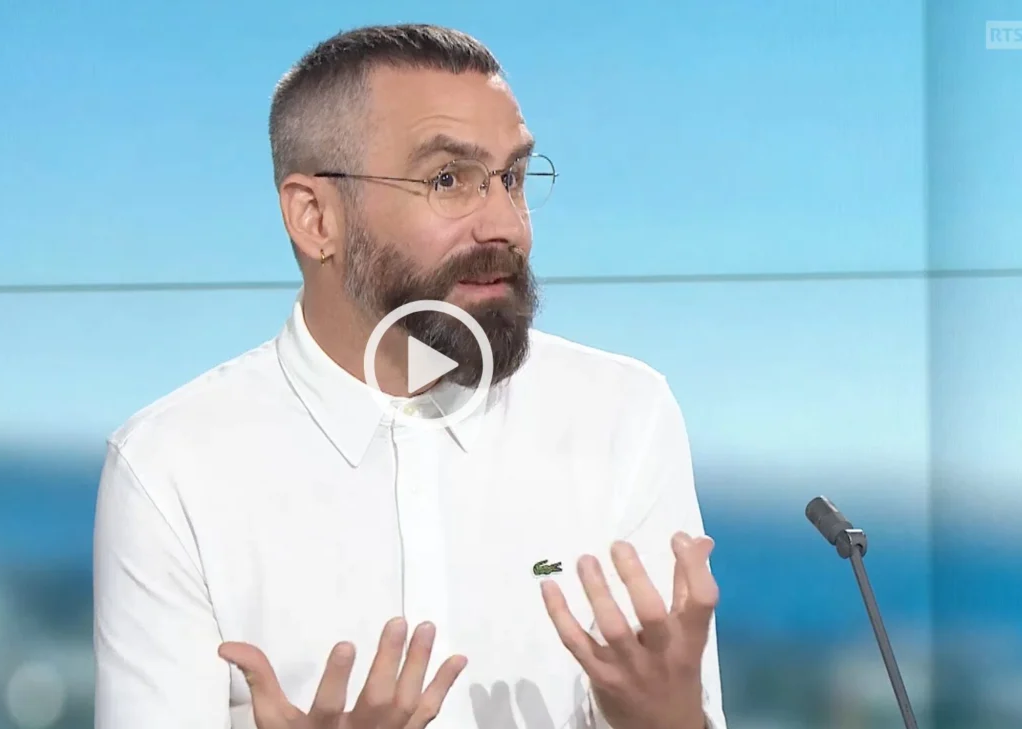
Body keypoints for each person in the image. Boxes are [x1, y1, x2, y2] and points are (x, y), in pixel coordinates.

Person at [93, 23, 726, 729]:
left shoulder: (625, 418)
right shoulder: (170, 466)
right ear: (315, 217)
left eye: (513, 178)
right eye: (448, 179)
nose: (507, 226)